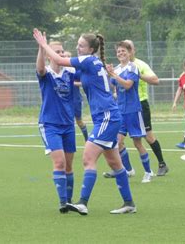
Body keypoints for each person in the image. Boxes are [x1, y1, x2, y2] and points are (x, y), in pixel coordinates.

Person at [33, 29, 136, 215]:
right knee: (114, 162)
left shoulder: (88, 60)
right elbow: (57, 69)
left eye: (80, 45)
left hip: (106, 116)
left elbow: (59, 60)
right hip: (107, 117)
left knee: (88, 158)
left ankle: (82, 202)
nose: (77, 48)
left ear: (90, 49)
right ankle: (129, 203)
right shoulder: (92, 63)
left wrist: (43, 44)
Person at [36, 39, 77, 213]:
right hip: (50, 124)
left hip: (68, 124)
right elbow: (40, 69)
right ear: (48, 55)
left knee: (68, 165)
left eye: (62, 52)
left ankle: (69, 200)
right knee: (59, 162)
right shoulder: (47, 73)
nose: (60, 54)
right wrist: (41, 47)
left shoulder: (69, 73)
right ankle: (62, 203)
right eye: (56, 52)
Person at [106, 41, 153, 183]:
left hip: (133, 110)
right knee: (118, 142)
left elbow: (127, 85)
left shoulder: (133, 68)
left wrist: (114, 75)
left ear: (129, 53)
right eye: (118, 51)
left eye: (123, 51)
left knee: (137, 142)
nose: (121, 53)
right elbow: (112, 87)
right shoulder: (118, 69)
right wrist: (109, 74)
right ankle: (128, 169)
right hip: (120, 111)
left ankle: (148, 172)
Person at [122, 39, 169, 176]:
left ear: (133, 50)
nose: (126, 51)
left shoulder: (140, 65)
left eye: (128, 48)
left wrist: (139, 75)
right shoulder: (120, 68)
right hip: (124, 107)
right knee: (118, 138)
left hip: (140, 105)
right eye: (123, 49)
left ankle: (162, 164)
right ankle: (122, 168)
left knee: (148, 137)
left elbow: (156, 80)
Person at [64, 51, 89, 141]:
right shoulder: (60, 71)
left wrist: (73, 83)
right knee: (67, 121)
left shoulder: (76, 70)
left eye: (69, 56)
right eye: (65, 56)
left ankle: (87, 139)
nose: (66, 57)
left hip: (75, 99)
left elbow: (83, 82)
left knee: (79, 121)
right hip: (65, 100)